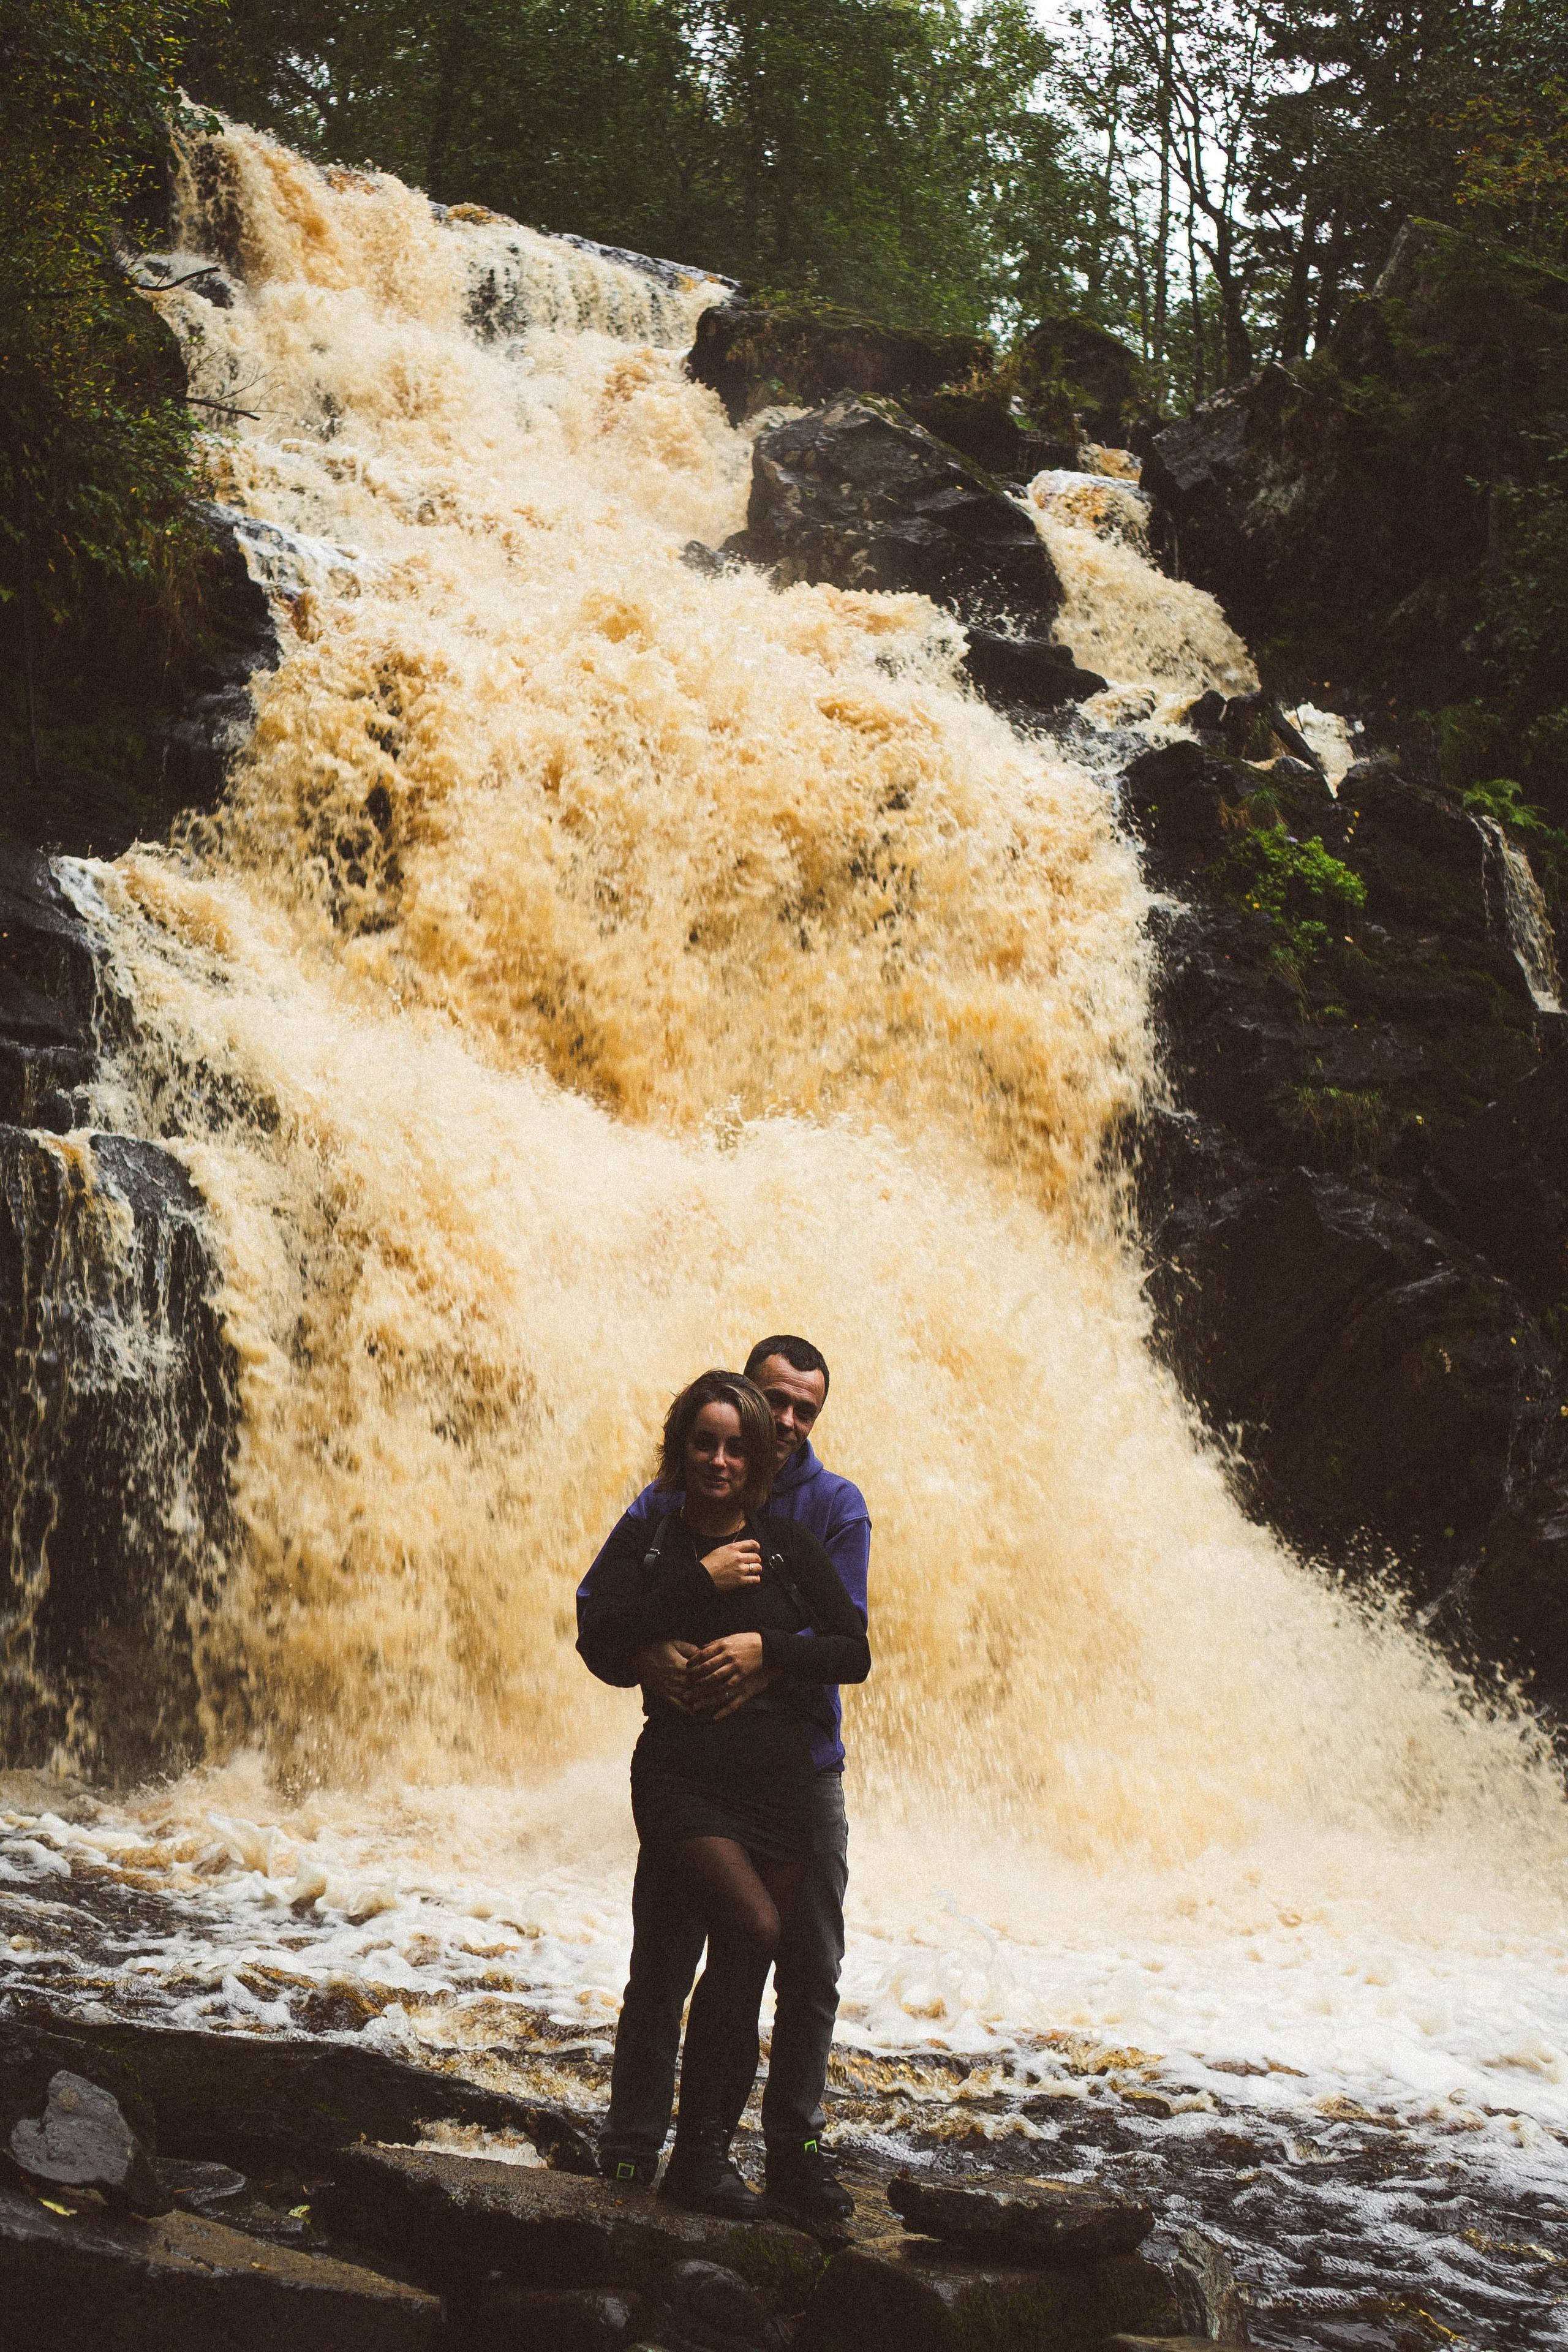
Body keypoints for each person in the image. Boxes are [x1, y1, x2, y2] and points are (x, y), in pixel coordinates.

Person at [576, 1335, 870, 2221]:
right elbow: (601, 1623)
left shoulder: (820, 1515)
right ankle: (637, 2150)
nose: (782, 1424)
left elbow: (850, 1643)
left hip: (794, 1776)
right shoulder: (661, 1515)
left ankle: (779, 2154)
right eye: (769, 1403)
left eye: (802, 1410)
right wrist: (649, 1647)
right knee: (675, 1957)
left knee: (798, 1966)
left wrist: (767, 1653)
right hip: (687, 1775)